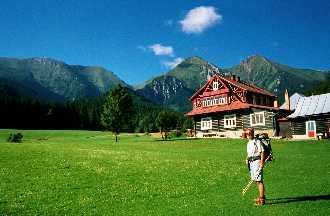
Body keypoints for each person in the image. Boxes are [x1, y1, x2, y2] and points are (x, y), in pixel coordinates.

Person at [245, 128, 266, 206]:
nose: (248, 135)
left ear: (252, 133)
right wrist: (247, 158)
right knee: (256, 180)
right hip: (251, 163)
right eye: (246, 133)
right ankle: (261, 196)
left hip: (257, 162)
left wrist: (262, 162)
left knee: (259, 180)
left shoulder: (257, 141)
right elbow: (249, 153)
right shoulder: (248, 143)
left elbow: (262, 151)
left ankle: (262, 200)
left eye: (249, 133)